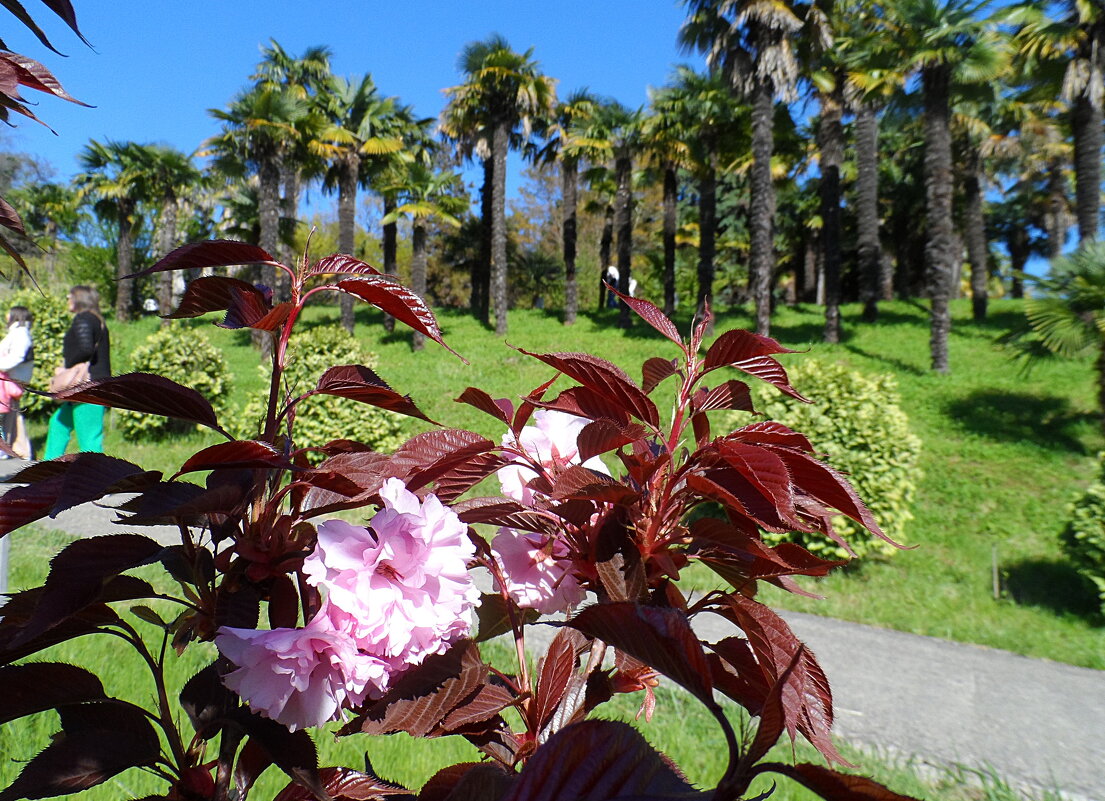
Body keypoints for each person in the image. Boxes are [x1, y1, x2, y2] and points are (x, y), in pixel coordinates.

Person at [44, 286, 110, 459]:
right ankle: (46, 472)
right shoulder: (97, 320)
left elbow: (85, 348)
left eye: (69, 297)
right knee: (58, 424)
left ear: (77, 299)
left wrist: (66, 369)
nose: (67, 300)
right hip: (89, 387)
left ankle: (99, 482)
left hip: (88, 388)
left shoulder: (84, 318)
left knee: (90, 442)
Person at [0, 306, 33, 457]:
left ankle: (11, 449)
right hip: (10, 379)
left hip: (11, 380)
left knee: (9, 417)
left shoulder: (20, 334)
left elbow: (17, 357)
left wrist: (2, 365)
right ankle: (12, 448)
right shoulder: (18, 332)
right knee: (11, 418)